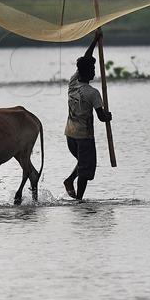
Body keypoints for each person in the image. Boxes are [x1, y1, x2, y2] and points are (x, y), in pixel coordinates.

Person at [63, 30, 112, 201]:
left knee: (85, 164)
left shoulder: (73, 82)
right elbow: (101, 117)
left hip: (70, 135)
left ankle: (70, 181)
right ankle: (79, 200)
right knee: (85, 169)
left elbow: (85, 58)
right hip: (84, 137)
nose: (94, 72)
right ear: (86, 72)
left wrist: (94, 41)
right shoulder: (92, 93)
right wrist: (108, 116)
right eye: (92, 69)